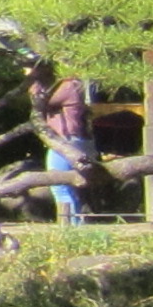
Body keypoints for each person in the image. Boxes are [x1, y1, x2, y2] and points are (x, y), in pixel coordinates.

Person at [39, 67, 94, 224]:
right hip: (74, 140)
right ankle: (76, 224)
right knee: (69, 185)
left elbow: (41, 100)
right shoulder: (75, 85)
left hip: (65, 141)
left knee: (59, 184)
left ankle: (69, 225)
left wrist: (34, 80)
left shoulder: (69, 85)